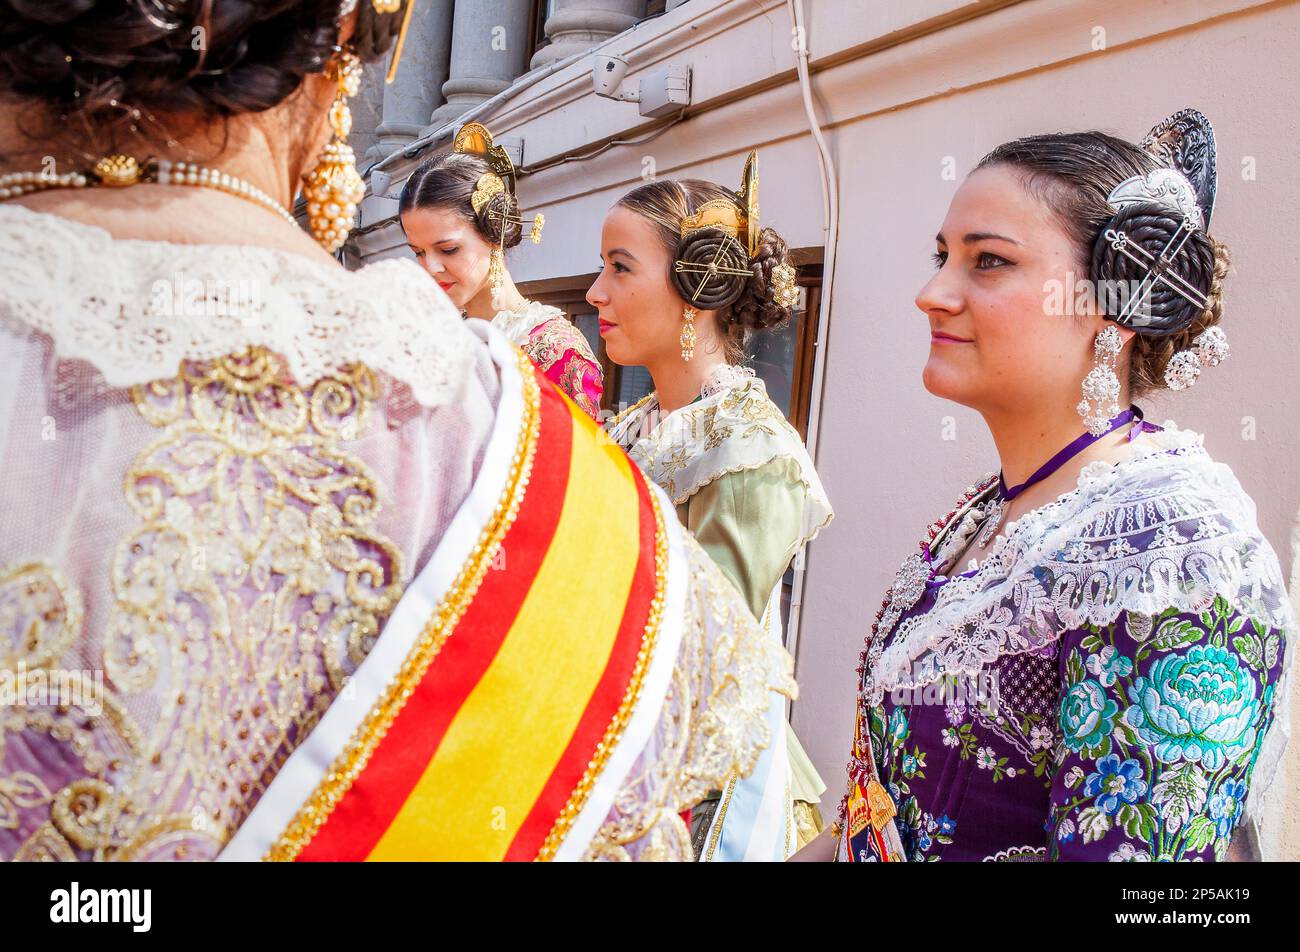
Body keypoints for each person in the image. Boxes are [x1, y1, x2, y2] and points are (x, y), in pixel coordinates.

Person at [0, 0, 792, 862]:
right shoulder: (533, 449)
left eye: (445, 249)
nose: (598, 292)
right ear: (350, 34)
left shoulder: (570, 383)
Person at [802, 110, 1293, 862]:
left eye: (987, 261)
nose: (931, 293)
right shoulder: (996, 512)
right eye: (941, 256)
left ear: (1124, 297)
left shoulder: (1175, 550)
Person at [590, 153, 832, 860]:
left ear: (697, 286)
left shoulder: (750, 449)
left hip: (692, 782)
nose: (598, 292)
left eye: (620, 267)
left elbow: (705, 659)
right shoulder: (633, 425)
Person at [399, 122, 604, 418]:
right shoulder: (432, 335)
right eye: (418, 252)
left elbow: (580, 461)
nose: (430, 267)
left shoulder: (554, 350)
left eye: (448, 250)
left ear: (494, 234)